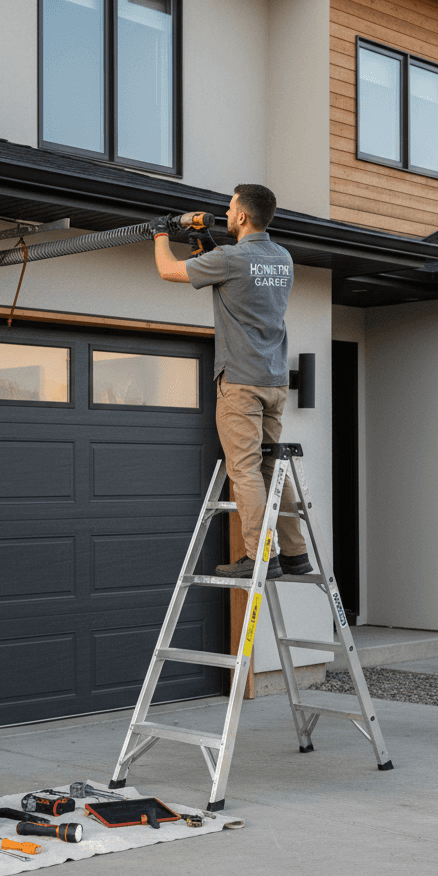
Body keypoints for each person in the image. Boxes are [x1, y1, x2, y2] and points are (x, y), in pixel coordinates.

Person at [151, 183, 311, 579]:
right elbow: (238, 279)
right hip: (274, 380)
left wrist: (159, 233)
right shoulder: (283, 259)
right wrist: (204, 245)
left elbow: (167, 270)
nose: (226, 212)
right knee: (273, 466)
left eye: (230, 207)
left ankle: (260, 556)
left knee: (245, 469)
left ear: (241, 216)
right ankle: (295, 554)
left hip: (240, 380)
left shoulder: (229, 259)